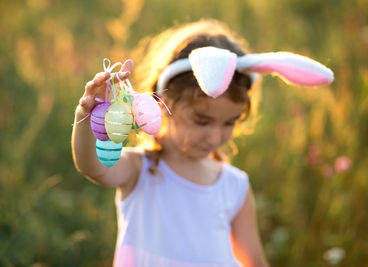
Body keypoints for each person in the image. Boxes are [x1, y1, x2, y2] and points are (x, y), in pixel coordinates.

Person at [72, 19, 333, 267]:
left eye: (229, 123)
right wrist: (87, 115)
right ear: (164, 105)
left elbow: (253, 260)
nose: (215, 137)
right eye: (202, 120)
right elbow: (93, 168)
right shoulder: (141, 168)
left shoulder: (234, 186)